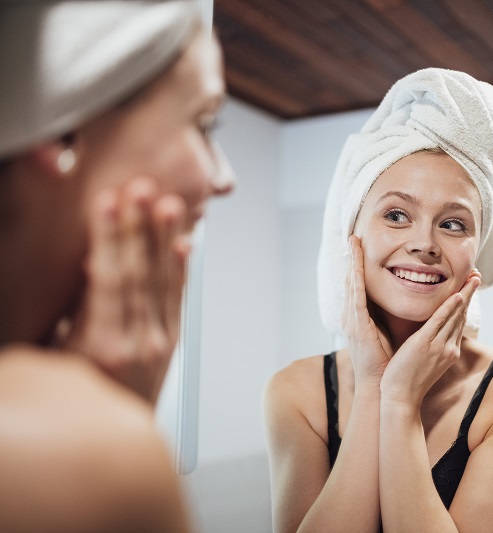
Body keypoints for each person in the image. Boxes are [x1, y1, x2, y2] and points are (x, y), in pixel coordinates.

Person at [265, 68, 493, 532]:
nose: (424, 243)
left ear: (476, 250)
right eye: (397, 214)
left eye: (453, 224)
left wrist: (401, 400)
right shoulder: (297, 393)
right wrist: (372, 388)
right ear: (352, 235)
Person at [0, 1, 234, 530]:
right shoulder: (82, 457)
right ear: (63, 134)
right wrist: (108, 423)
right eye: (204, 124)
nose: (223, 179)